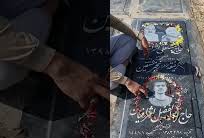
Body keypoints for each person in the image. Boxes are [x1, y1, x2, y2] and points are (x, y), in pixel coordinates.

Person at [0, 1, 148, 109]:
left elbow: (112, 21)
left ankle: (121, 65)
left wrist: (137, 36)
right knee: (112, 81)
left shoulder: (89, 9)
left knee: (128, 41)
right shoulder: (72, 30)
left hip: (98, 51)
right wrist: (128, 82)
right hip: (83, 60)